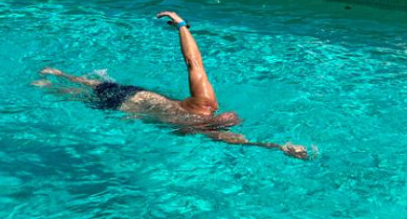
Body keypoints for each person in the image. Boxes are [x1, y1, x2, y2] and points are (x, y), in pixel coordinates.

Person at [36, 10, 310, 160]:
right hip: (135, 97)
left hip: (127, 106)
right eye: (232, 116)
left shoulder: (201, 128)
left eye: (230, 119)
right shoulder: (204, 106)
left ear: (221, 123)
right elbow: (194, 62)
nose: (231, 115)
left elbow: (246, 143)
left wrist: (280, 147)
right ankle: (61, 74)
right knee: (93, 85)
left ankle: (51, 84)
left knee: (81, 95)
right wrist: (182, 26)